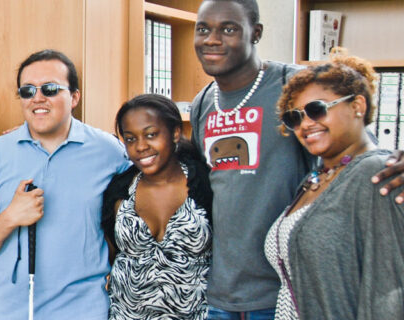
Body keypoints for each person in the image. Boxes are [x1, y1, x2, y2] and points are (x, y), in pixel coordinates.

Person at [190, 2, 404, 318]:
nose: (212, 39)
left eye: (229, 28)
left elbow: (357, 155)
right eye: (203, 29)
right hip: (221, 295)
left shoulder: (294, 86)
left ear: (256, 33)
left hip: (287, 293)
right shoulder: (203, 103)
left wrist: (393, 160)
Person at [0, 49, 130, 319]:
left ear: (74, 97)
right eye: (27, 91)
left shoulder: (109, 151)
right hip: (12, 311)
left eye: (50, 89)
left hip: (87, 310)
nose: (37, 98)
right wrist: (10, 217)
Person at [264, 52, 404, 320]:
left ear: (357, 106)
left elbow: (391, 291)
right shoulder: (315, 179)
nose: (306, 123)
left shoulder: (377, 172)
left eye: (317, 109)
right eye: (295, 117)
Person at [101, 94, 213, 319]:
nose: (141, 147)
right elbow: (108, 254)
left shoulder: (206, 184)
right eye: (130, 139)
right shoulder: (119, 190)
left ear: (175, 133)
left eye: (151, 135)